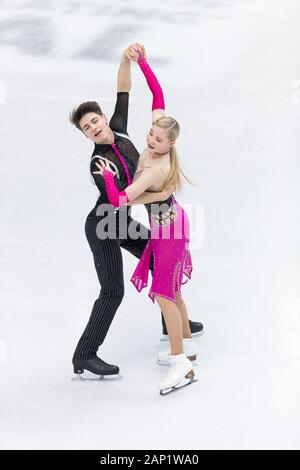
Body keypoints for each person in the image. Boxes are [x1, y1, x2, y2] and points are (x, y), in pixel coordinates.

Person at [69, 44, 203, 380]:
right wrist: (163, 190)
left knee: (160, 264)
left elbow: (124, 89)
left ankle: (173, 322)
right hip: (104, 225)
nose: (94, 128)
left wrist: (126, 60)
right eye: (87, 128)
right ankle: (85, 354)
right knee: (113, 291)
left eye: (94, 121)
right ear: (85, 134)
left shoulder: (121, 127)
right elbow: (121, 200)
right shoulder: (99, 162)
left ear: (102, 116)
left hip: (123, 220)